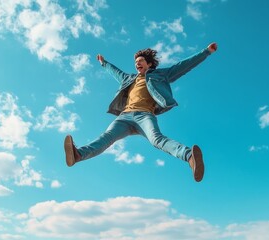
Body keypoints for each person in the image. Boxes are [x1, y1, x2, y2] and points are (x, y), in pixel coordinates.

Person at [64, 42, 218, 182]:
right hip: (124, 117)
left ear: (149, 64)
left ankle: (189, 156)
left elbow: (183, 66)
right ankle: (78, 155)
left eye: (140, 61)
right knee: (106, 137)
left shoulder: (160, 75)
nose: (137, 64)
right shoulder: (128, 79)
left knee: (157, 139)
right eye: (136, 62)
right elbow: (115, 71)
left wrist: (206, 52)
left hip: (145, 116)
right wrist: (104, 63)